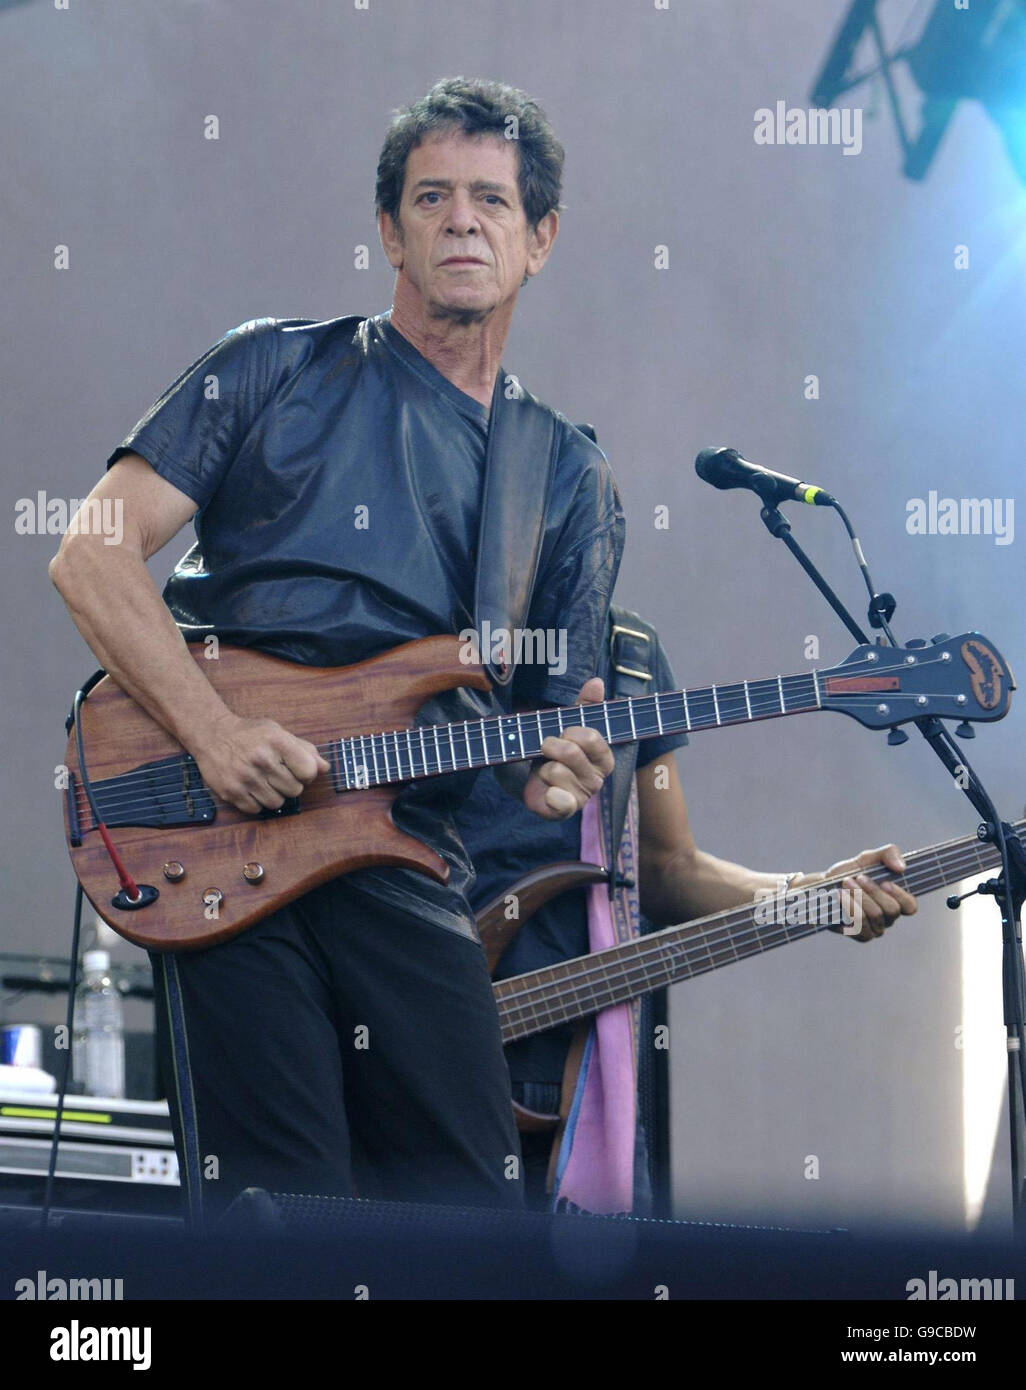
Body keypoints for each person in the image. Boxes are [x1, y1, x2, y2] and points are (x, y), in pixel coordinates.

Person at [49, 78, 624, 1224]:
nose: (463, 220)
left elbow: (554, 733)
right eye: (433, 197)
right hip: (221, 838)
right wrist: (213, 735)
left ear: (541, 238)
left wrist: (569, 766)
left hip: (406, 859)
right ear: (389, 230)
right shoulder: (273, 368)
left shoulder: (563, 476)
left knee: (470, 1223)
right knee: (278, 1217)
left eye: (493, 202)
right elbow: (90, 554)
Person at [458, 605, 917, 1214]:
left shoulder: (628, 652)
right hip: (397, 1044)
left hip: (568, 1066)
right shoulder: (403, 620)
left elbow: (668, 869)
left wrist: (812, 896)